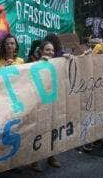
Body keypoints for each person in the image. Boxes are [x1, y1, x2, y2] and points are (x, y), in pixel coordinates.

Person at [28, 41, 61, 172]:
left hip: (53, 102)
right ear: (41, 51)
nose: (50, 53)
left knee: (53, 128)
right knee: (38, 131)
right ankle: (34, 160)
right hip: (39, 103)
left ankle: (51, 156)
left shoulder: (57, 64)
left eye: (52, 50)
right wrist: (41, 62)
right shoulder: (34, 64)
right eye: (47, 50)